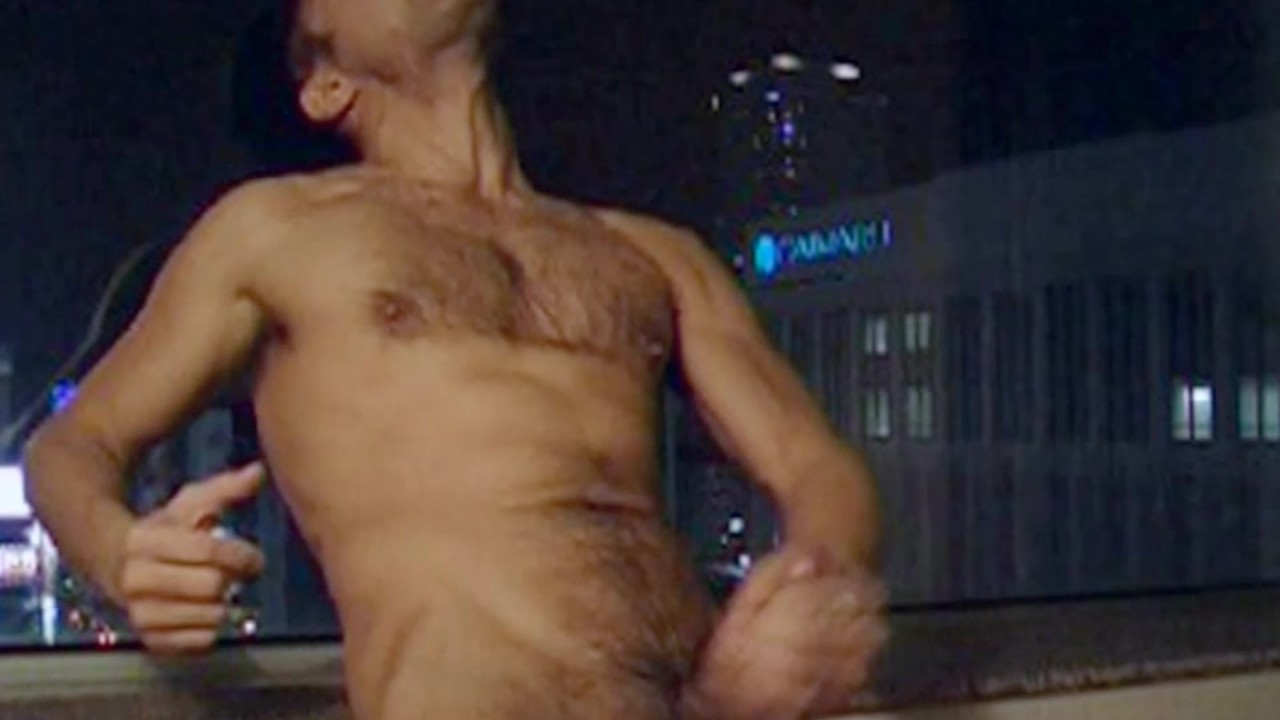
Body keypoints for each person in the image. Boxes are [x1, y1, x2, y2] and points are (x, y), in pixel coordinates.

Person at [22, 1, 887, 718]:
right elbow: (70, 446)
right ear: (326, 85)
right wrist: (121, 554)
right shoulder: (274, 232)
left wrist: (814, 588)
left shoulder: (652, 254)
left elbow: (815, 465)